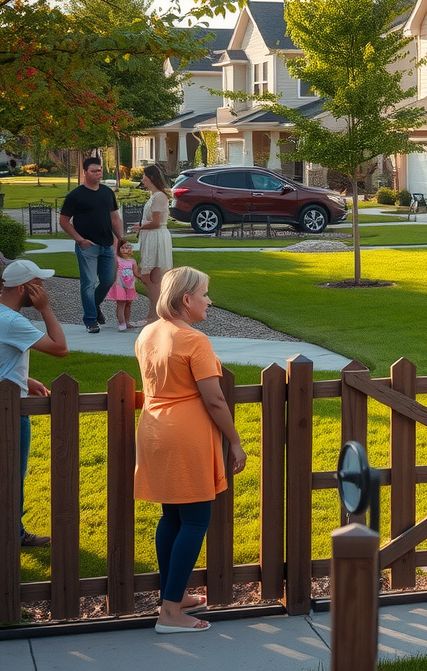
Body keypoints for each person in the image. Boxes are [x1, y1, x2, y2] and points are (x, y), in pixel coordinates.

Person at [134, 266, 246, 633]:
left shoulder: (148, 332)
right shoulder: (194, 340)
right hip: (186, 436)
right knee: (196, 519)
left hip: (154, 429)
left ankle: (175, 595)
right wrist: (235, 440)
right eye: (205, 294)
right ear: (186, 299)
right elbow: (214, 400)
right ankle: (170, 614)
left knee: (172, 517)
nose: (209, 300)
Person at [0, 259, 69, 547]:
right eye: (38, 284)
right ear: (22, 288)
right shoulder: (13, 320)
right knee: (12, 475)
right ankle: (12, 536)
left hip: (11, 394)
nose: (43, 288)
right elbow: (60, 348)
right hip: (10, 412)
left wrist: (23, 379)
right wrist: (45, 309)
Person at [59, 156, 123, 333]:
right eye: (94, 171)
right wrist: (80, 240)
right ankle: (90, 320)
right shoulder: (76, 195)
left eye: (100, 170)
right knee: (88, 283)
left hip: (107, 244)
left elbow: (115, 218)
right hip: (87, 246)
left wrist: (120, 239)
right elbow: (64, 221)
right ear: (85, 172)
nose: (98, 173)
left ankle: (93, 307)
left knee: (108, 279)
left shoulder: (107, 192)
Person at [131, 164, 174, 302]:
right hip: (150, 236)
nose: (142, 180)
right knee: (148, 276)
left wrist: (141, 226)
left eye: (144, 176)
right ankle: (155, 311)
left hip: (156, 237)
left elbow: (156, 222)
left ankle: (157, 311)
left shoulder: (160, 197)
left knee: (153, 276)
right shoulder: (153, 196)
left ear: (151, 177)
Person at [109, 239, 142, 332]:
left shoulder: (133, 261)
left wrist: (144, 278)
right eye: (122, 248)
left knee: (128, 304)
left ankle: (127, 322)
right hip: (120, 285)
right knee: (121, 304)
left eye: (127, 247)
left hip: (130, 286)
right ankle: (121, 323)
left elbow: (136, 273)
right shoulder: (117, 260)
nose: (125, 250)